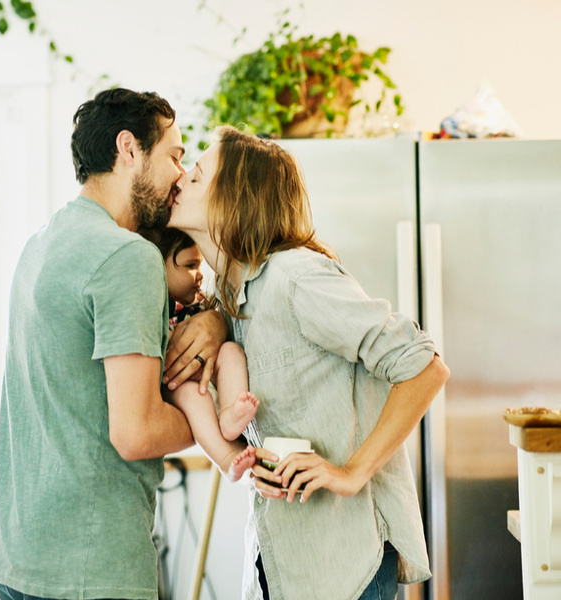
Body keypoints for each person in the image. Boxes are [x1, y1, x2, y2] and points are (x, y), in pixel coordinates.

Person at [166, 125, 450, 600]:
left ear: (233, 200)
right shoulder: (233, 300)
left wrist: (351, 472)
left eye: (196, 177)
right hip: (287, 560)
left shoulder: (295, 277)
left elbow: (425, 366)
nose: (180, 182)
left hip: (345, 565)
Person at [0, 88, 229, 600]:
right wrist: (215, 417)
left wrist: (214, 323)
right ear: (129, 149)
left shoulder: (41, 244)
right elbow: (137, 433)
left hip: (18, 556)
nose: (180, 176)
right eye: (174, 156)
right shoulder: (126, 257)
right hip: (89, 567)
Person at [140, 226, 260, 481]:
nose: (199, 276)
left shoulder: (200, 303)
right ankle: (226, 459)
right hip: (179, 386)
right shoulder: (154, 309)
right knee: (195, 397)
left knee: (231, 351)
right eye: (189, 266)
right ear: (157, 268)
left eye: (200, 265)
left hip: (211, 378)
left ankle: (230, 412)